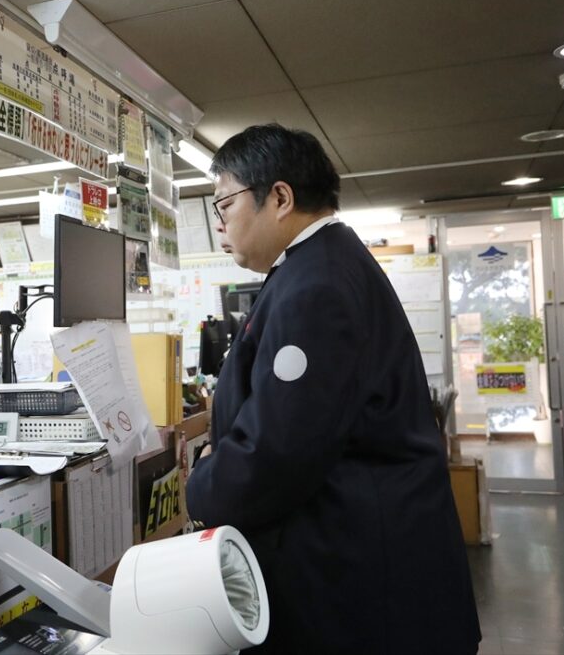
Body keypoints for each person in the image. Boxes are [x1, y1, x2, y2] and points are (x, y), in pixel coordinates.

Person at [186, 124, 480, 654]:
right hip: (364, 556)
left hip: (357, 577)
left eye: (223, 204)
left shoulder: (316, 286)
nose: (220, 223)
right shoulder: (318, 268)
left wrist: (204, 479)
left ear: (279, 197)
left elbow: (279, 450)